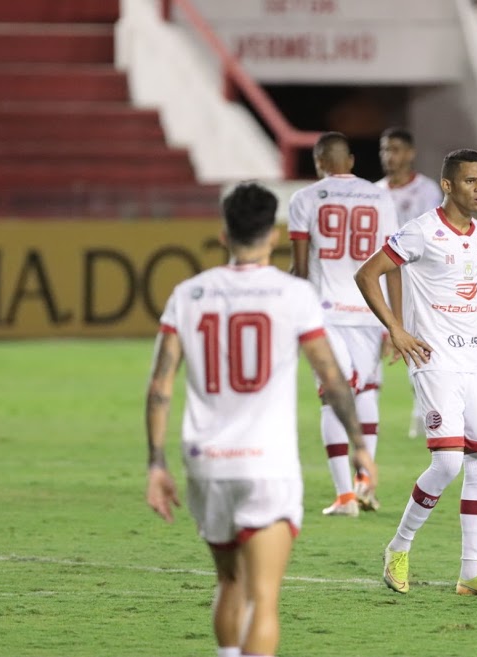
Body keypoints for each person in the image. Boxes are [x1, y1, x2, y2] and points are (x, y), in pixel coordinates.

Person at [144, 182, 375, 657]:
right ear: (273, 235)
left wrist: (155, 464)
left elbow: (160, 386)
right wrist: (359, 442)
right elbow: (331, 376)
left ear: (224, 234)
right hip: (267, 464)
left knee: (229, 582)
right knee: (263, 598)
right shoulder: (293, 295)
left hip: (207, 463)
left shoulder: (189, 294)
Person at [355, 148, 477, 597]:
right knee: (447, 462)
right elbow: (368, 274)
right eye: (470, 181)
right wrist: (396, 330)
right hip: (435, 360)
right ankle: (398, 547)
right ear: (447, 185)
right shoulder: (421, 231)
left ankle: (470, 573)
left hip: (476, 361)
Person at [288, 132, 400, 516]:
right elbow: (393, 263)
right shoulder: (381, 196)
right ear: (350, 161)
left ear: (319, 163)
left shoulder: (304, 199)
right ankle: (364, 481)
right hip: (370, 311)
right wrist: (394, 324)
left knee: (332, 395)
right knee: (365, 392)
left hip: (326, 313)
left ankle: (345, 496)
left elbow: (301, 268)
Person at [375, 126, 445, 439]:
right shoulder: (373, 192)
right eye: (385, 150)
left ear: (410, 153)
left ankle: (424, 411)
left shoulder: (428, 191)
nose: (390, 157)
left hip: (416, 281)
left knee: (419, 346)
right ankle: (367, 411)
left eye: (396, 150)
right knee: (374, 344)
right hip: (380, 278)